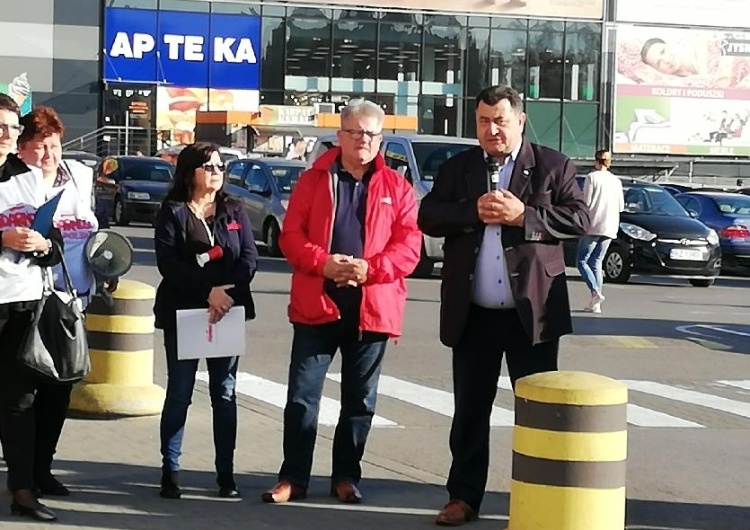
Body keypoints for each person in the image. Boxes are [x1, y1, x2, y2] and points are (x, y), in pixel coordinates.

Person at [417, 85, 590, 526]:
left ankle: (542, 495)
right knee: (470, 413)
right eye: (482, 121)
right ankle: (463, 497)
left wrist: (524, 216)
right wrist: (473, 211)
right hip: (473, 314)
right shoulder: (459, 168)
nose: (491, 130)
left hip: (530, 314)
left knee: (538, 413)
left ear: (520, 121)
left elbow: (580, 220)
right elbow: (429, 216)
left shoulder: (553, 165)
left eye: (500, 120)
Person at [262, 99, 422, 505]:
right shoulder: (313, 180)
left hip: (372, 310)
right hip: (317, 306)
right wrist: (324, 263)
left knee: (359, 402)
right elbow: (290, 236)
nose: (362, 141)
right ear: (340, 135)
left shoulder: (397, 187)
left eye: (370, 134)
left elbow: (409, 247)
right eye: (354, 132)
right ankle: (293, 478)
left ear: (380, 139)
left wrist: (371, 269)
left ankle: (346, 477)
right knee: (302, 397)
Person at [15, 106, 119, 498]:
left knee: (60, 386)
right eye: (39, 147)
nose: (48, 155)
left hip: (71, 302)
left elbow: (91, 232)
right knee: (23, 388)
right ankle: (22, 471)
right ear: (22, 149)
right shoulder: (13, 185)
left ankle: (43, 467)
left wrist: (106, 266)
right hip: (25, 300)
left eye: (54, 145)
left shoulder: (77, 177)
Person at [153, 142, 258, 500]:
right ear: (190, 171)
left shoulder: (233, 209)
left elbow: (248, 257)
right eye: (209, 166)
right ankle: (171, 470)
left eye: (220, 166)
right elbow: (168, 263)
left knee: (224, 393)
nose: (216, 171)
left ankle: (225, 475)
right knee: (180, 393)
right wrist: (207, 292)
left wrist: (226, 293)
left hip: (227, 310)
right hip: (185, 312)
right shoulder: (173, 211)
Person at [0, 94, 64, 522]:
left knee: (19, 399)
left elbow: (55, 247)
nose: (6, 135)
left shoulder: (27, 179)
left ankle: (22, 489)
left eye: (10, 127)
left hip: (21, 303)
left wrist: (42, 244)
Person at [576, 150, 623, 314]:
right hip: (610, 226)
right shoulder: (616, 181)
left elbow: (586, 202)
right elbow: (621, 206)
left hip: (593, 224)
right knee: (597, 262)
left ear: (596, 161)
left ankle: (595, 292)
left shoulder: (592, 177)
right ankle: (595, 303)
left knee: (582, 261)